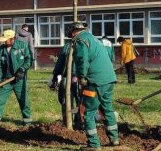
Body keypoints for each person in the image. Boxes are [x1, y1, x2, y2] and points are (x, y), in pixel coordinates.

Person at [71, 22, 119, 150]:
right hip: (109, 79)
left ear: (74, 31)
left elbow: (82, 59)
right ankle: (114, 139)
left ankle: (93, 144)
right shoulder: (94, 39)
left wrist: (81, 76)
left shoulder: (80, 40)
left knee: (88, 112)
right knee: (106, 109)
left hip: (95, 81)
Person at [0, 29, 33, 129]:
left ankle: (27, 123)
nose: (4, 42)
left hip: (19, 80)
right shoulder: (1, 50)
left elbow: (28, 59)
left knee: (24, 101)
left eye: (6, 40)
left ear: (12, 39)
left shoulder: (22, 46)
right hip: (6, 80)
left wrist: (22, 70)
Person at [51, 30, 81, 128]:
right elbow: (60, 63)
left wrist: (56, 75)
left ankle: (71, 120)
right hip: (73, 78)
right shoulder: (70, 47)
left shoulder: (67, 47)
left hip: (73, 78)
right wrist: (55, 75)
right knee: (76, 101)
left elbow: (59, 64)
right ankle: (75, 121)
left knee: (71, 102)